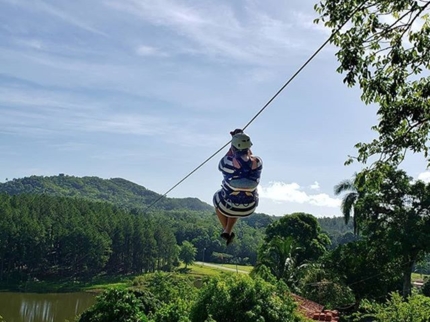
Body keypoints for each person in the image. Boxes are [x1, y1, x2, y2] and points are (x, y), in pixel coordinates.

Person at [213, 129, 263, 245]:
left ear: (233, 147)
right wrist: (239, 138)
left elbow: (227, 160)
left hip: (228, 205)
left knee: (218, 196)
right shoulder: (258, 162)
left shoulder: (226, 163)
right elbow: (249, 158)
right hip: (249, 207)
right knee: (238, 198)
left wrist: (233, 142)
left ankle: (227, 230)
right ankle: (227, 231)